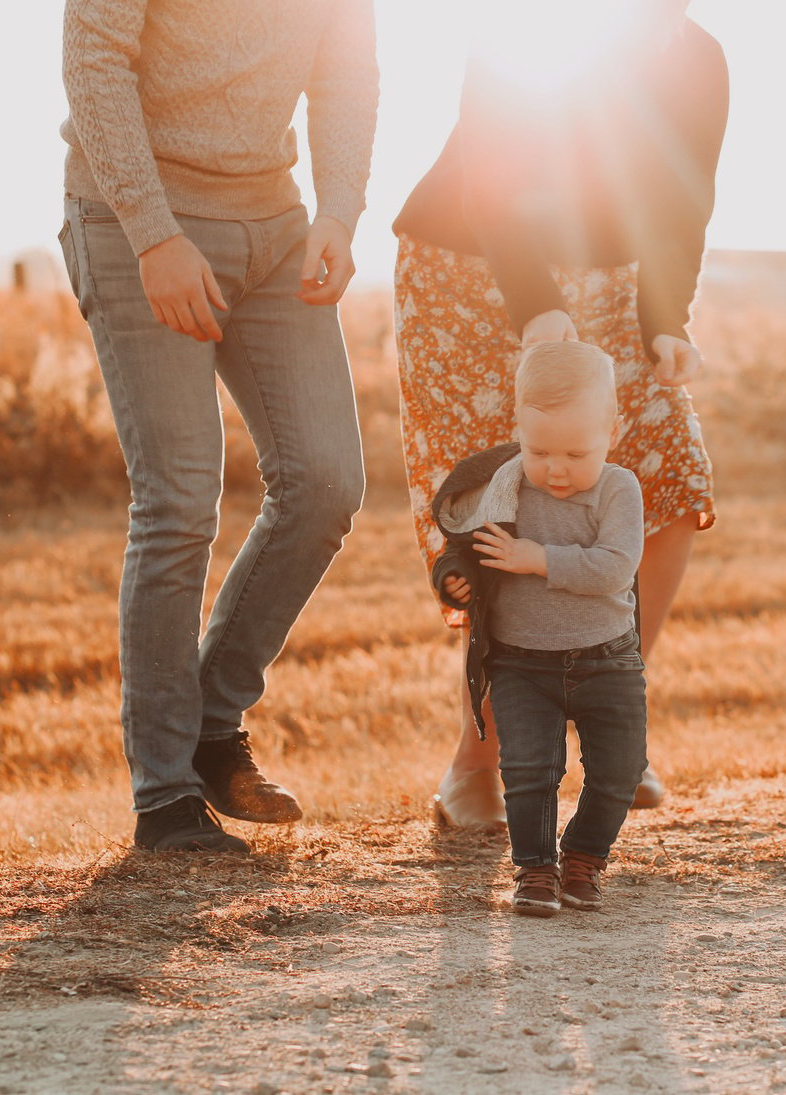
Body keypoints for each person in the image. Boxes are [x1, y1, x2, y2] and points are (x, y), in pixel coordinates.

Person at [392, 0, 727, 827]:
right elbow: (491, 180)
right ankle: (479, 761)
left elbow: (683, 205)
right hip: (469, 272)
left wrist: (667, 320)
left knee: (671, 477)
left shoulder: (699, 57)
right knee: (506, 508)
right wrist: (537, 306)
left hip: (611, 285)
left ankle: (610, 717)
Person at [57, 0, 379, 853]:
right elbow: (94, 60)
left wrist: (340, 212)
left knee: (327, 482)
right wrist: (154, 235)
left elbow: (345, 71)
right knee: (181, 498)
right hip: (139, 216)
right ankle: (164, 796)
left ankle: (209, 723)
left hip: (275, 224)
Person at [430, 342, 646, 915]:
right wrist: (455, 579)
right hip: (522, 662)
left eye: (577, 452)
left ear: (612, 433)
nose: (555, 468)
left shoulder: (618, 489)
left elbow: (616, 568)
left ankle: (583, 859)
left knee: (620, 771)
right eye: (539, 449)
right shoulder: (502, 488)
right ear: (519, 430)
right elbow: (463, 551)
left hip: (608, 659)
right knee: (528, 771)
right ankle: (534, 872)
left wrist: (538, 559)